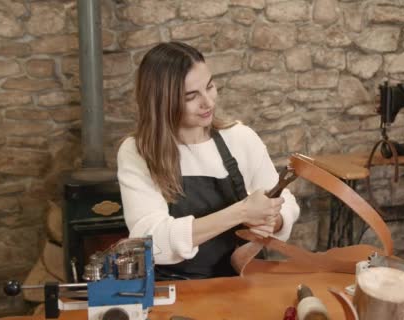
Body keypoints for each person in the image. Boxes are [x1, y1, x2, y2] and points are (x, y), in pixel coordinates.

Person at [116, 42, 300, 280]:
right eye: (191, 96)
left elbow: (287, 202)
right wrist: (242, 212)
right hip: (175, 288)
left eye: (210, 86)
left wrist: (274, 221)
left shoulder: (240, 138)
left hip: (242, 281)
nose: (208, 102)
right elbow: (151, 240)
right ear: (162, 102)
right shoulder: (137, 152)